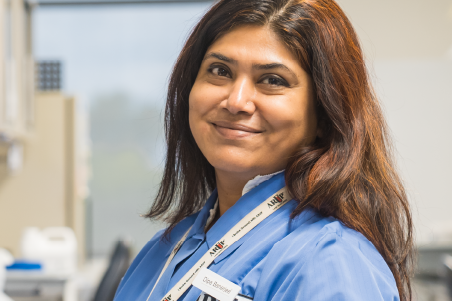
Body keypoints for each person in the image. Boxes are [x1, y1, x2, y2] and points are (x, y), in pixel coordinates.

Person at [113, 0, 414, 300]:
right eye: (220, 70)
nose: (236, 101)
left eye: (272, 80)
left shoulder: (330, 260)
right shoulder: (165, 250)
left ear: (325, 114)